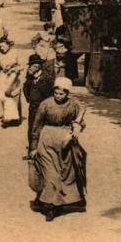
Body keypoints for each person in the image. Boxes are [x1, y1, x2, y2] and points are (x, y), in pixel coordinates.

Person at [29, 77, 87, 221]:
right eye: (56, 93)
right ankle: (50, 207)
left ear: (67, 93)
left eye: (62, 94)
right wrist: (34, 147)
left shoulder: (73, 105)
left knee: (67, 173)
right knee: (50, 174)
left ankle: (69, 201)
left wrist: (76, 129)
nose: (58, 96)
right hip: (47, 140)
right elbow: (36, 126)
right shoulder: (45, 104)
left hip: (66, 142)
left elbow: (81, 123)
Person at [23, 54, 55, 155]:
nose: (29, 68)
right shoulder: (29, 78)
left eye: (31, 66)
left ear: (37, 66)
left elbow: (49, 94)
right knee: (31, 129)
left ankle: (43, 153)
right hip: (33, 108)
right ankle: (31, 152)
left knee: (42, 130)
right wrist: (31, 100)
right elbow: (26, 90)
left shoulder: (47, 78)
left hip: (44, 109)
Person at [0, 37, 23, 127]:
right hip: (4, 76)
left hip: (13, 76)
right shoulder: (0, 54)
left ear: (8, 45)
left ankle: (11, 119)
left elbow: (22, 66)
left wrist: (14, 69)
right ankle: (7, 115)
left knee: (12, 95)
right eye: (0, 46)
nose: (1, 48)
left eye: (3, 46)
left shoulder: (15, 52)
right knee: (2, 96)